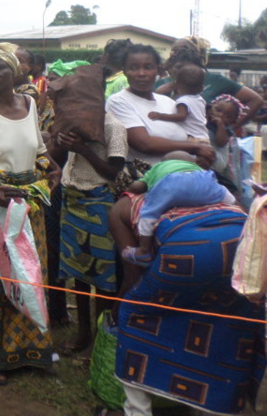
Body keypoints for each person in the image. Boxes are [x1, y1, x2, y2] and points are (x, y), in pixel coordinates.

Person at [110, 166, 260, 415]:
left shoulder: (127, 205)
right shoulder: (212, 188)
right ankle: (210, 405)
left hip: (188, 250)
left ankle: (138, 410)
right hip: (241, 241)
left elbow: (132, 276)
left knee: (137, 317)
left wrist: (118, 310)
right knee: (225, 324)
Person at [0, 43, 61, 385]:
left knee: (32, 274)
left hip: (29, 202)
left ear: (15, 73)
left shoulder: (30, 103)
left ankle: (32, 351)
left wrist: (52, 168)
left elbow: (39, 147)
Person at [52, 66, 127, 353]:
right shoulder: (74, 124)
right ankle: (83, 333)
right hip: (71, 200)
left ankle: (101, 336)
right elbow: (57, 159)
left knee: (102, 275)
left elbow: (112, 172)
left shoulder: (112, 127)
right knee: (78, 273)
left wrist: (83, 149)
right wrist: (61, 142)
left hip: (99, 203)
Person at [106, 44, 214, 166]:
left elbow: (192, 132)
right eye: (134, 68)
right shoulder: (118, 101)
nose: (141, 73)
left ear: (158, 70)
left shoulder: (169, 102)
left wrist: (200, 156)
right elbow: (144, 144)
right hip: (149, 178)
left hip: (185, 172)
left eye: (148, 67)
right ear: (124, 71)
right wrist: (195, 148)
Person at [122, 158, 233, 264]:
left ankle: (144, 251)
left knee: (148, 213)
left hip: (170, 184)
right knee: (224, 193)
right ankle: (241, 211)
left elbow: (138, 186)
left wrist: (131, 187)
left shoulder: (157, 167)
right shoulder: (194, 166)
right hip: (201, 179)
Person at [158, 37, 263, 118]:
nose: (179, 53)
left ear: (198, 55)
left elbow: (256, 100)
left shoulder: (215, 80)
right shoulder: (161, 84)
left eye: (185, 49)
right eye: (175, 50)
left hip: (206, 141)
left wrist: (232, 126)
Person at [146, 62, 208, 141]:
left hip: (192, 138)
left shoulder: (183, 101)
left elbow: (181, 116)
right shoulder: (199, 99)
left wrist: (161, 116)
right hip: (203, 136)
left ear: (178, 85)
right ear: (201, 87)